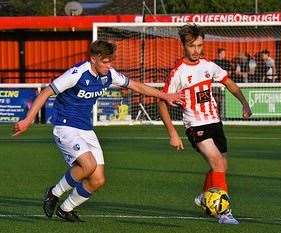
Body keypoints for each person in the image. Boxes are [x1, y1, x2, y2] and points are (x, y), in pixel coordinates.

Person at [12, 40, 183, 222]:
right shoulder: (77, 74)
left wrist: (165, 95)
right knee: (88, 166)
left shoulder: (109, 75)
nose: (109, 66)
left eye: (111, 62)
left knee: (98, 180)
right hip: (65, 126)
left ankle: (66, 208)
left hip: (86, 129)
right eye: (105, 62)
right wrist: (28, 120)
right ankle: (53, 193)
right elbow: (46, 91)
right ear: (93, 59)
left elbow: (136, 86)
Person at [158, 24, 252, 225]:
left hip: (215, 123)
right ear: (183, 45)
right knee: (217, 162)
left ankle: (205, 198)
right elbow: (162, 101)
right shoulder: (178, 72)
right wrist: (173, 133)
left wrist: (244, 103)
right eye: (192, 46)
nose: (196, 50)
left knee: (221, 166)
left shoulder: (209, 66)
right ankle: (224, 212)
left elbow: (229, 83)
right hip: (195, 125)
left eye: (200, 45)